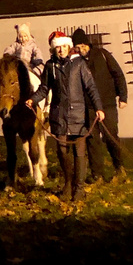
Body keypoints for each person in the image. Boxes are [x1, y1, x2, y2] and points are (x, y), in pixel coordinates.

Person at [30, 32, 104, 201]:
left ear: (68, 47)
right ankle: (68, 184)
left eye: (64, 47)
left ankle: (79, 188)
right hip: (59, 116)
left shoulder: (79, 64)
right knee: (62, 151)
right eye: (58, 47)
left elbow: (91, 87)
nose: (61, 50)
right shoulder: (50, 66)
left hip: (78, 115)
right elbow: (44, 89)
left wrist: (99, 108)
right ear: (54, 49)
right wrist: (32, 100)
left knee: (79, 152)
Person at [71, 27, 128, 182]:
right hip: (88, 108)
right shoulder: (76, 62)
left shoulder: (103, 55)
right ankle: (97, 174)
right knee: (92, 142)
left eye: (83, 46)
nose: (81, 50)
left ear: (88, 44)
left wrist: (123, 97)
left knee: (111, 137)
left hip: (107, 104)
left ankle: (119, 167)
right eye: (78, 47)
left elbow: (118, 75)